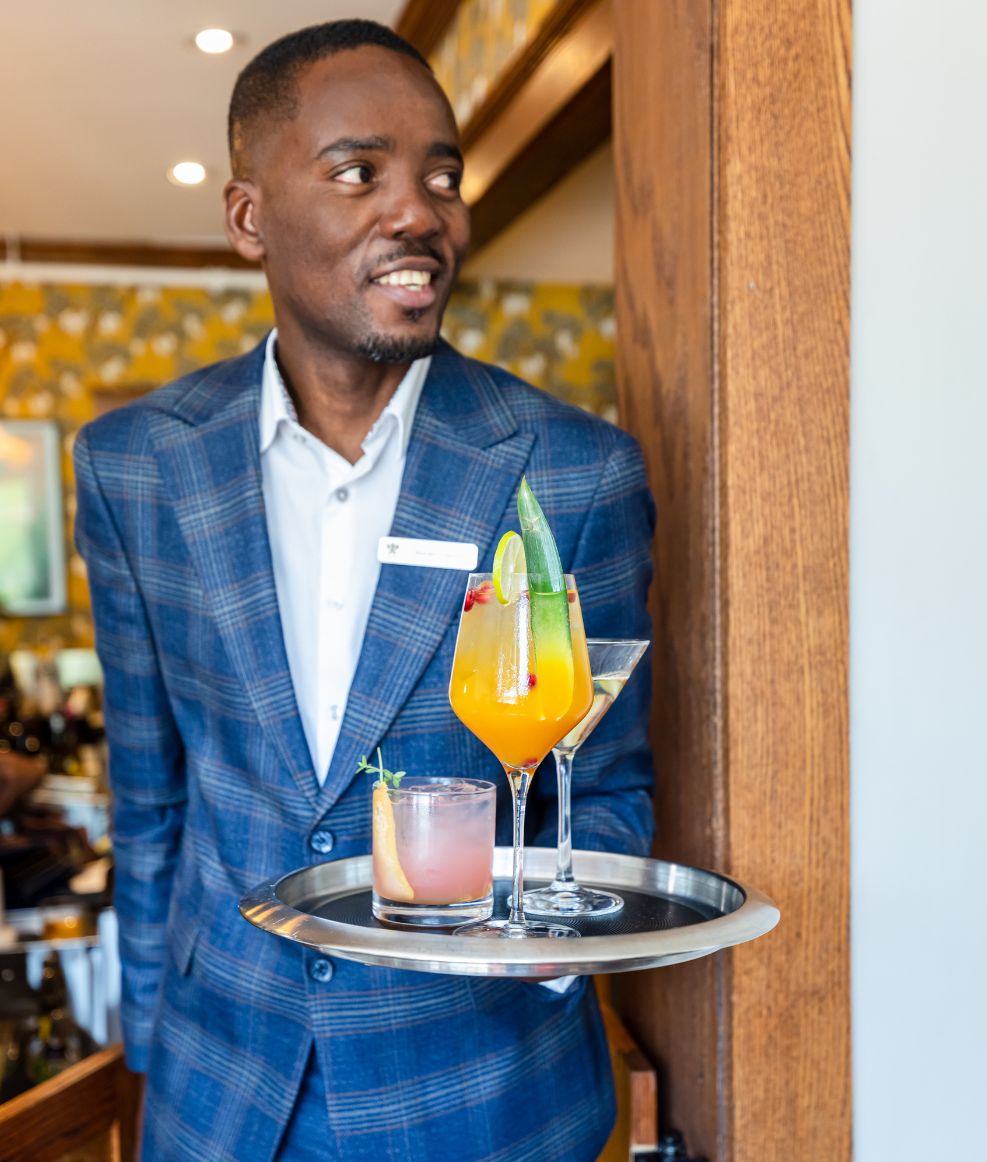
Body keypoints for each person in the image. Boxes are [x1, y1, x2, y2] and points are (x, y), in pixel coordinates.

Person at [74, 19, 655, 1162]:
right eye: (359, 172)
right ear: (249, 217)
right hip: (222, 1091)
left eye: (443, 174)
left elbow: (612, 788)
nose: (418, 211)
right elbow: (149, 791)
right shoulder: (134, 463)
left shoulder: (574, 469)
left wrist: (542, 941)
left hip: (486, 1094)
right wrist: (149, 1038)